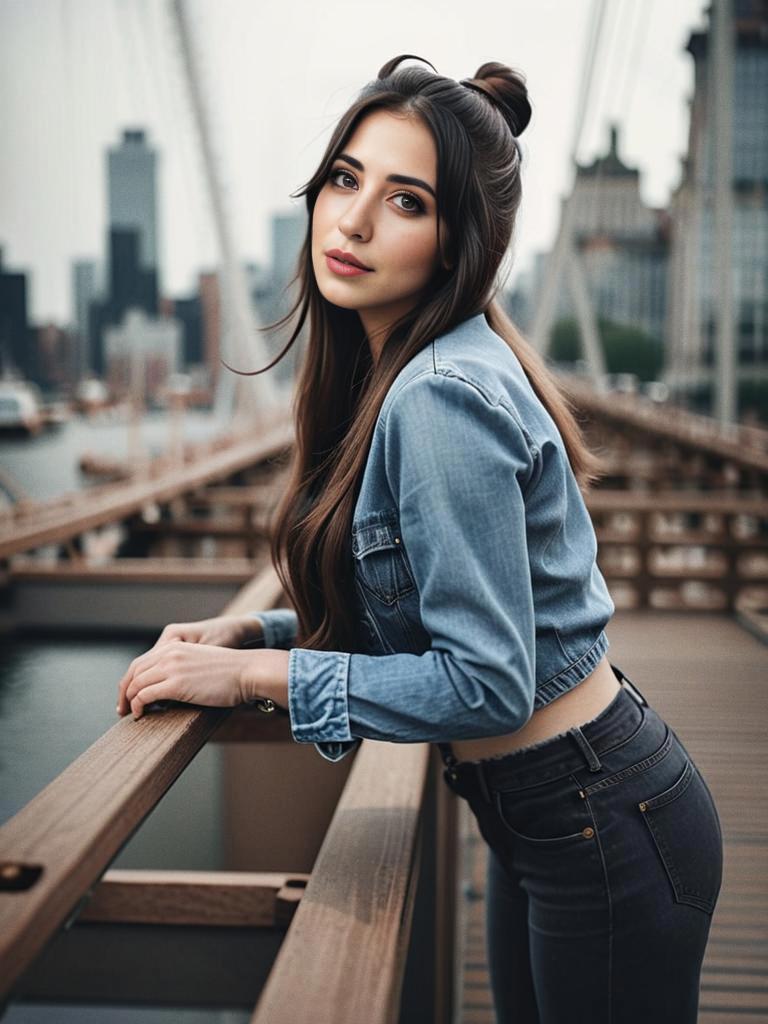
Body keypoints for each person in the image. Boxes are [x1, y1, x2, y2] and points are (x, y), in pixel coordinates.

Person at [116, 54, 723, 1023]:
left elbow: (486, 678)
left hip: (597, 822)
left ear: (456, 244)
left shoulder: (438, 395)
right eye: (345, 179)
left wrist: (255, 682)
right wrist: (256, 637)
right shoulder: (401, 373)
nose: (351, 220)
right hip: (558, 812)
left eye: (406, 201)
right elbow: (421, 616)